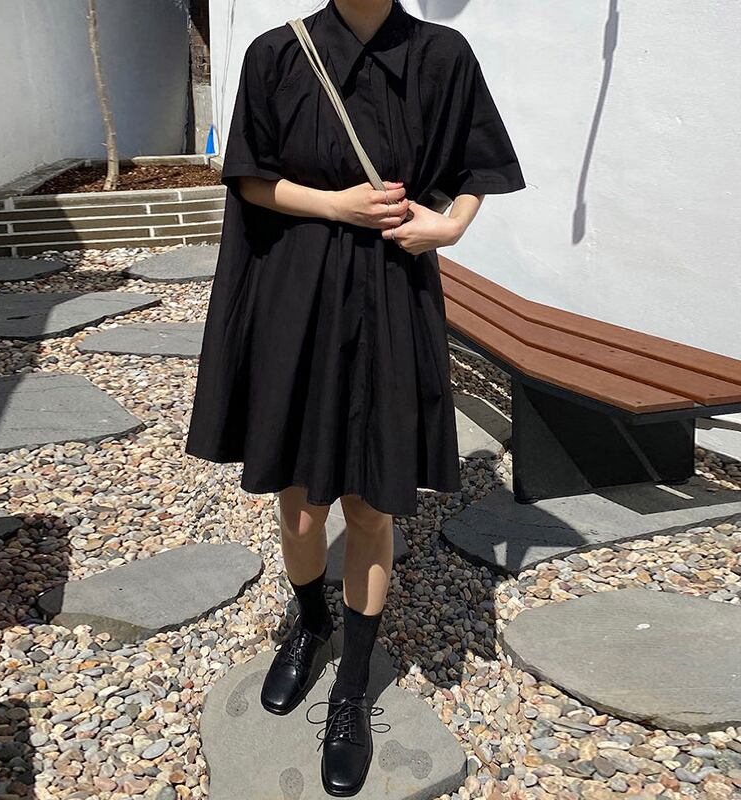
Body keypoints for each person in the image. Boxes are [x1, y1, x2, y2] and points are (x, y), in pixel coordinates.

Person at [185, 0, 525, 794]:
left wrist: (451, 228)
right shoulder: (277, 53)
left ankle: (352, 685)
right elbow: (250, 178)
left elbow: (478, 163)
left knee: (371, 503)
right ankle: (310, 624)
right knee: (301, 503)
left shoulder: (441, 53)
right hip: (296, 295)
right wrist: (336, 205)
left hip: (391, 293)